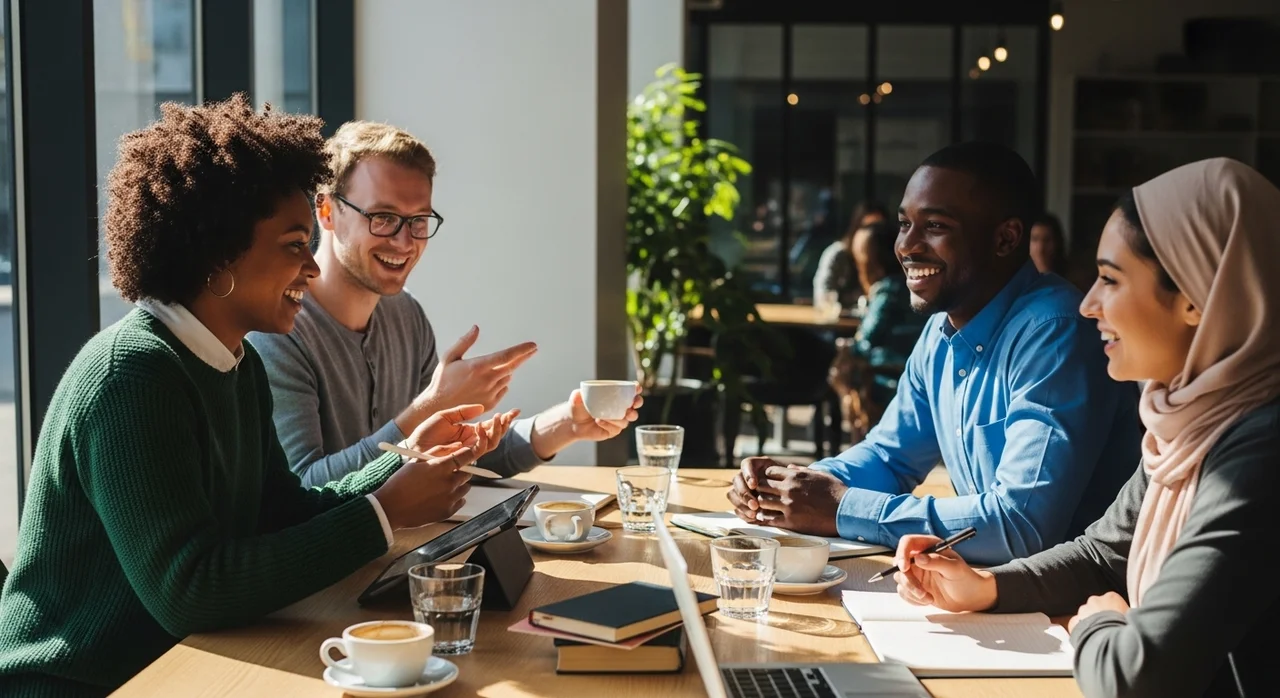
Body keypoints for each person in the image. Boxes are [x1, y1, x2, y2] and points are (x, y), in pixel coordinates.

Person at [0, 96, 515, 697]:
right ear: (220, 253)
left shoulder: (233, 362)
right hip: (83, 685)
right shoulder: (132, 376)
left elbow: (282, 509)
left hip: (182, 667)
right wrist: (385, 511)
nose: (312, 269)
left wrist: (404, 460)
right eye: (295, 245)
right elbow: (190, 590)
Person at [891, 158, 1278, 698]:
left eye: (1110, 280)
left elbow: (1135, 677)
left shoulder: (1258, 453)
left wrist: (1096, 623)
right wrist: (985, 587)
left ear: (1196, 299)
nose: (1090, 304)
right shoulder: (1185, 425)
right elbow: (1102, 556)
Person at [728, 142, 1141, 565]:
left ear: (1006, 238)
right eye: (904, 224)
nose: (907, 246)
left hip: (1075, 595)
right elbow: (890, 457)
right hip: (985, 586)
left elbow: (1021, 525)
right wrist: (794, 486)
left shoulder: (1055, 332)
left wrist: (841, 507)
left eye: (936, 226)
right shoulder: (941, 331)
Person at [247, 121, 641, 487]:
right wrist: (430, 406)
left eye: (419, 220)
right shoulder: (277, 333)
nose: (405, 242)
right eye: (383, 217)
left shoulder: (406, 316)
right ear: (326, 211)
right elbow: (307, 486)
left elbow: (449, 455)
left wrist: (566, 424)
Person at [828, 220, 927, 441]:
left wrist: (846, 351)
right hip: (908, 374)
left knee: (842, 371)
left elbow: (865, 343)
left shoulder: (888, 290)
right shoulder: (914, 288)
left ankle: (859, 440)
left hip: (890, 380)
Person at [812, 200, 889, 307]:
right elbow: (822, 296)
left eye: (879, 229)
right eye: (867, 228)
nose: (873, 234)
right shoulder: (838, 254)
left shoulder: (890, 258)